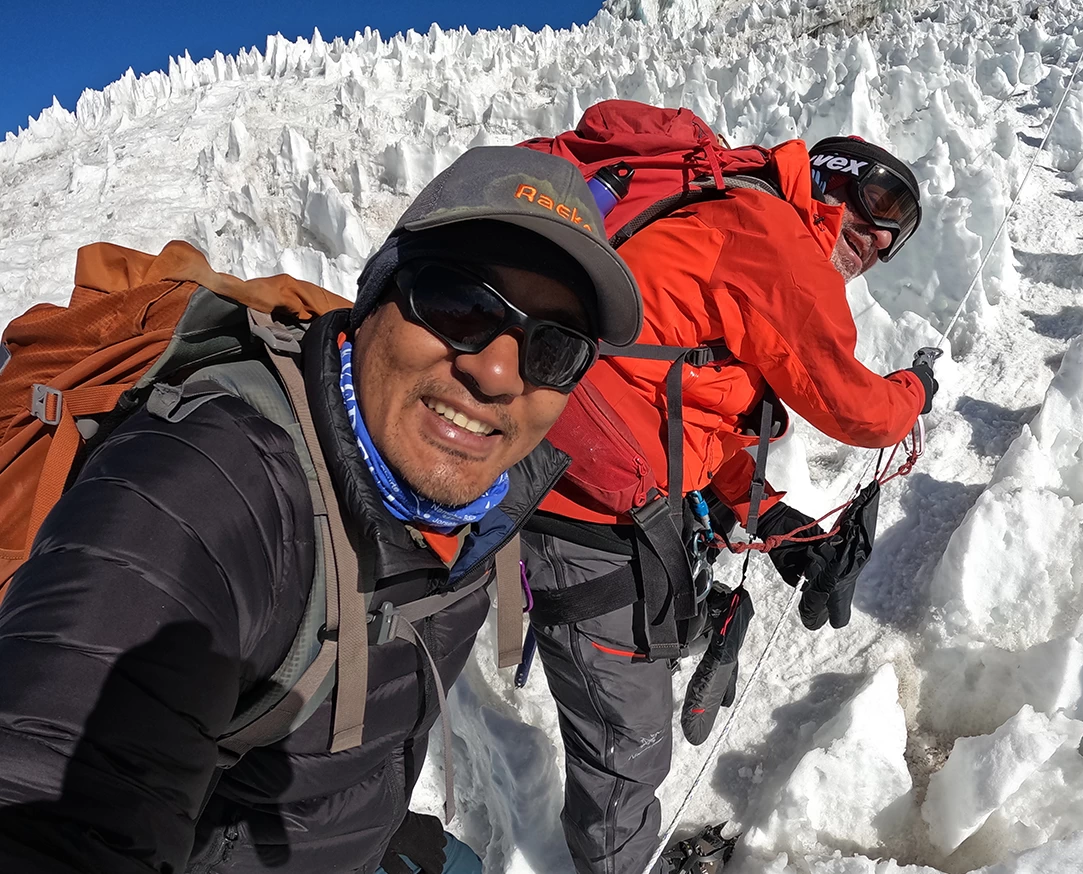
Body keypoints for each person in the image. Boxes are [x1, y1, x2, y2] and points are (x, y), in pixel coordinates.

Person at [0, 147, 644, 874]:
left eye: (552, 348)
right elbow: (49, 797)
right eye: (460, 303)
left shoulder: (482, 498)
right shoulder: (210, 487)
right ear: (374, 299)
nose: (496, 373)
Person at [520, 135, 938, 873]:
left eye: (896, 237)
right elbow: (859, 408)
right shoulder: (774, 240)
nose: (878, 240)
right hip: (584, 509)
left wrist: (773, 516)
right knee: (627, 748)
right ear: (831, 177)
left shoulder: (731, 205)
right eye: (879, 204)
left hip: (603, 467)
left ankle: (684, 625)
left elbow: (678, 401)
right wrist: (917, 393)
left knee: (637, 694)